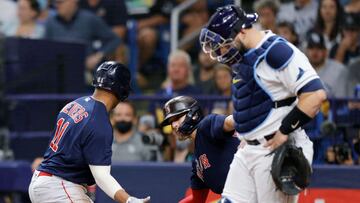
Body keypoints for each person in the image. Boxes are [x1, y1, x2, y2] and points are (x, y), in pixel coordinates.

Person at [200, 5, 327, 203]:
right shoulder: (245, 58)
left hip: (275, 149)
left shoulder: (276, 50)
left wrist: (284, 130)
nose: (221, 52)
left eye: (223, 44)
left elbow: (315, 94)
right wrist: (247, 134)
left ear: (241, 31)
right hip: (248, 149)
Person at [28, 61, 150, 203]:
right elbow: (101, 177)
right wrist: (128, 199)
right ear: (121, 90)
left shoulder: (74, 104)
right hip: (59, 186)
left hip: (43, 181)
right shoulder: (99, 121)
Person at [160, 96, 239, 203]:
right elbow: (197, 200)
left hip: (255, 188)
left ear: (193, 114)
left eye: (177, 118)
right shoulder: (196, 161)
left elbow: (231, 121)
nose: (173, 125)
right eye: (171, 122)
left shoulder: (207, 125)